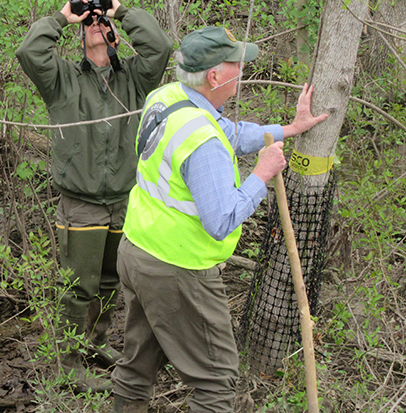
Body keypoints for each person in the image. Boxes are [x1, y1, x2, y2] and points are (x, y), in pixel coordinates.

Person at [110, 26, 329, 413]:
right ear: (214, 76)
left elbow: (231, 133)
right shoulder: (203, 142)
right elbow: (221, 219)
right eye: (236, 63)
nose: (242, 69)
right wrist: (260, 176)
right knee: (215, 382)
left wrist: (291, 129)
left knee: (137, 367)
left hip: (137, 251)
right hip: (178, 269)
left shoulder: (168, 98)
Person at [16, 0, 174, 389]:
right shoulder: (63, 80)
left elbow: (160, 47)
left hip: (123, 200)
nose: (96, 26)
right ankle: (68, 363)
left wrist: (120, 11)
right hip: (81, 202)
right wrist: (63, 17)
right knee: (77, 286)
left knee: (108, 282)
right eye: (90, 23)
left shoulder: (134, 78)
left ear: (116, 34)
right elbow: (30, 52)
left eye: (102, 22)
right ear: (79, 35)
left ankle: (94, 344)